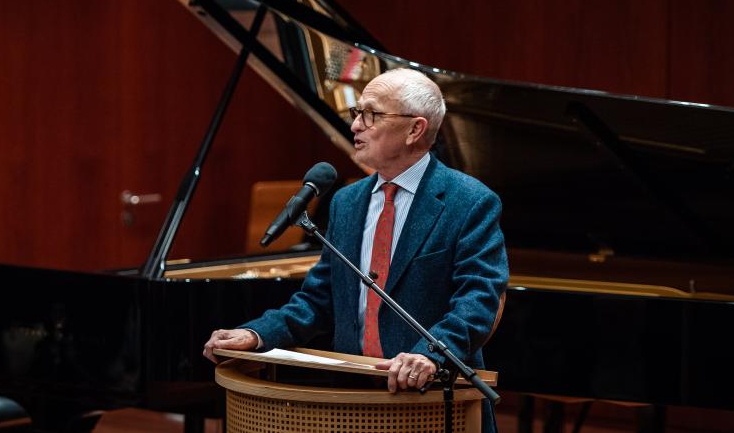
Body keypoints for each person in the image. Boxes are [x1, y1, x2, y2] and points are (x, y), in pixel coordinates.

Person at [203, 68, 508, 431]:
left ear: (415, 129)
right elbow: (318, 300)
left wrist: (430, 355)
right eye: (356, 113)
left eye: (371, 115)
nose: (355, 126)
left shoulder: (470, 201)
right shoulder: (346, 202)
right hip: (351, 400)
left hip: (432, 399)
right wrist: (257, 334)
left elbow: (479, 299)